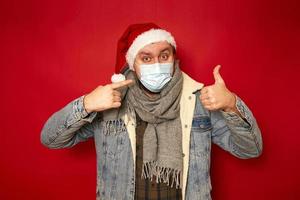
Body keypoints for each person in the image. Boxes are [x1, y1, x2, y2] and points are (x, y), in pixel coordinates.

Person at [40, 23, 263, 200]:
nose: (157, 64)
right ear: (132, 65)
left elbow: (250, 150)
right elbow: (51, 139)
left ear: (174, 59)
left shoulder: (200, 100)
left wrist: (231, 105)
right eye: (146, 58)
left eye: (164, 55)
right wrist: (86, 104)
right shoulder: (109, 103)